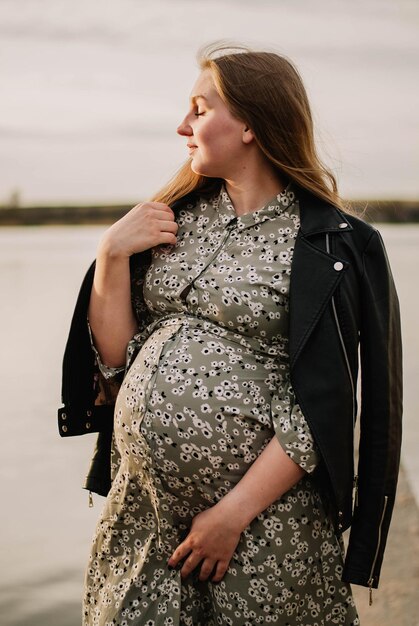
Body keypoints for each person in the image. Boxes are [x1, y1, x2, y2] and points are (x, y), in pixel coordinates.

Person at [59, 43, 402, 625]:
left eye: (199, 109)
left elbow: (325, 399)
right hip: (145, 515)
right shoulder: (169, 220)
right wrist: (111, 254)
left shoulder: (334, 245)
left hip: (266, 524)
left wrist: (231, 515)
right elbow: (117, 363)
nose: (182, 126)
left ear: (250, 123)